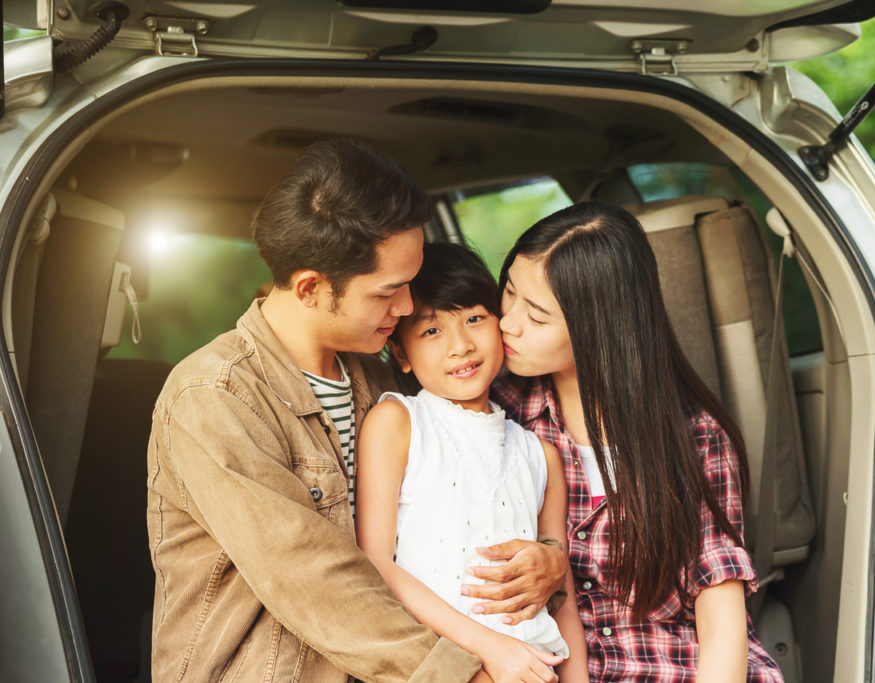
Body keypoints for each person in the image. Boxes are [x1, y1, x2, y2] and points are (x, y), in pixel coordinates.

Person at [146, 139, 563, 682]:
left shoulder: (378, 372)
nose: (409, 308)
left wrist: (552, 559)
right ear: (311, 288)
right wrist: (470, 674)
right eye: (389, 292)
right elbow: (311, 576)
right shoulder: (215, 396)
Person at [489, 201, 785, 682]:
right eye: (508, 293)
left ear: (599, 328)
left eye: (537, 316)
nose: (508, 322)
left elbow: (721, 614)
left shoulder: (694, 435)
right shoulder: (496, 412)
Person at [355, 243, 589, 683]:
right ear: (401, 355)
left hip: (540, 668)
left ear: (502, 324)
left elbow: (564, 599)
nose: (460, 345)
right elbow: (376, 565)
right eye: (431, 332)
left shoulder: (541, 456)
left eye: (474, 319)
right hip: (445, 668)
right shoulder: (399, 423)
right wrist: (490, 651)